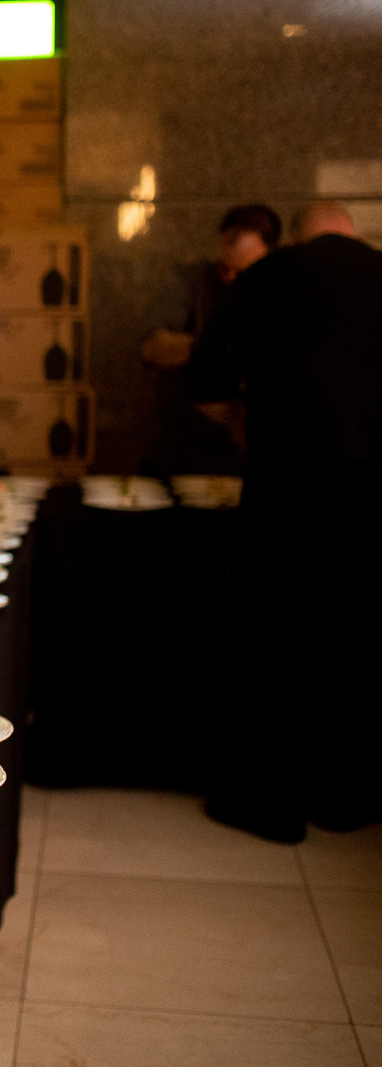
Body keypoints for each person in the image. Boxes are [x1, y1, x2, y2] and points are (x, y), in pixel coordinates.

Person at [189, 200, 382, 841]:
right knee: (357, 637)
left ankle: (267, 805)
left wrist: (245, 422)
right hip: (374, 491)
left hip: (290, 486)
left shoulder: (272, 275)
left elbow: (207, 378)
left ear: (296, 235)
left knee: (275, 637)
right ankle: (348, 798)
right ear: (353, 231)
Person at [137, 204, 281, 474]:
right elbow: (151, 348)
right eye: (224, 268)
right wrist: (221, 345)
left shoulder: (280, 292)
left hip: (247, 460)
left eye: (243, 272)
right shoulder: (192, 281)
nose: (230, 279)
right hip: (179, 454)